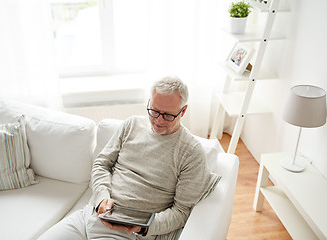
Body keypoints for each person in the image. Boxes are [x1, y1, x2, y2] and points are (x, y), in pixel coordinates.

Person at [38, 76, 216, 240]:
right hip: (89, 214)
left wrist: (142, 226)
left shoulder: (191, 152)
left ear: (183, 111)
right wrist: (101, 197)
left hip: (126, 232)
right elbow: (101, 164)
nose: (158, 121)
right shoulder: (132, 124)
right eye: (154, 111)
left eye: (168, 115)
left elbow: (181, 211)